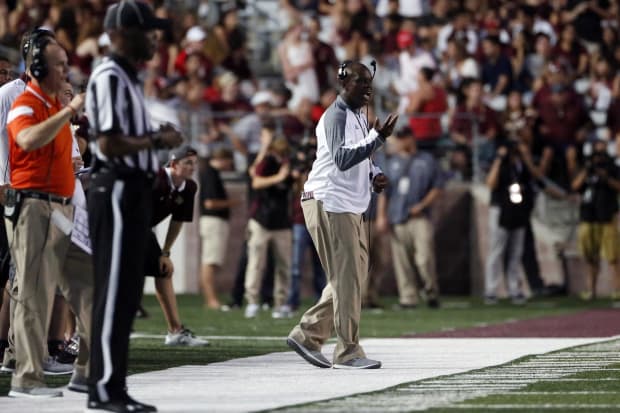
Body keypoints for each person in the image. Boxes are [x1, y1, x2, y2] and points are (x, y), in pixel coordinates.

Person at [85, 2, 182, 412]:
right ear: (122, 33)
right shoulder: (109, 76)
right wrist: (155, 142)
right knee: (115, 291)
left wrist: (151, 134)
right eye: (148, 31)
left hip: (132, 189)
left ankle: (114, 385)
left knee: (127, 294)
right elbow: (107, 142)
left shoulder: (126, 77)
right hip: (118, 187)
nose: (155, 38)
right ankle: (104, 387)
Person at [286, 61, 398, 369]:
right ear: (344, 84)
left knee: (353, 277)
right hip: (329, 201)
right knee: (347, 278)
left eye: (369, 84)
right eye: (361, 83)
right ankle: (348, 351)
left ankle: (307, 334)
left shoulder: (357, 115)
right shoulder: (335, 115)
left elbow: (360, 158)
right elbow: (342, 158)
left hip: (348, 204)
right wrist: (378, 139)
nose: (368, 89)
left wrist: (374, 173)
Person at [4, 31, 89, 398]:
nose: (66, 70)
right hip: (32, 205)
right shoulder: (24, 102)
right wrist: (70, 111)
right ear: (39, 67)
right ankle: (26, 377)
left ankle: (88, 372)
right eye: (59, 64)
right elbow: (26, 140)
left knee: (87, 287)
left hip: (62, 206)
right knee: (34, 293)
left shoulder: (55, 105)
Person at [145, 145, 209, 346]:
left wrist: (165, 251)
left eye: (195, 163)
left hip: (142, 229)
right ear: (173, 164)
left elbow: (178, 220)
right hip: (123, 227)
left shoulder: (189, 187)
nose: (193, 167)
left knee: (163, 270)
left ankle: (175, 331)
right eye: (188, 163)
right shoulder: (154, 179)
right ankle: (77, 333)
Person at [376, 126, 442, 309]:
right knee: (401, 261)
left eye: (403, 137)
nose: (400, 141)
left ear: (411, 138)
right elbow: (384, 192)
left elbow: (437, 187)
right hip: (397, 215)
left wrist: (422, 205)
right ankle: (408, 298)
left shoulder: (427, 160)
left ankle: (431, 291)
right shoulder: (391, 162)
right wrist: (382, 215)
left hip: (420, 216)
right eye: (398, 138)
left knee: (424, 258)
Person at [571, 139, 620, 300]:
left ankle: (617, 289)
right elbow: (575, 186)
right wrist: (587, 170)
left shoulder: (613, 168)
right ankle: (591, 290)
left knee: (612, 256)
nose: (599, 157)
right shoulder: (587, 168)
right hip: (588, 216)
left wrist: (606, 177)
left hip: (606, 216)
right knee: (590, 256)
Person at [199, 147, 237, 310]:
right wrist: (232, 203)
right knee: (210, 261)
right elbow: (210, 203)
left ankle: (211, 298)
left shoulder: (211, 173)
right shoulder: (210, 174)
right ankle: (211, 299)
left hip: (213, 222)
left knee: (211, 260)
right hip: (213, 221)